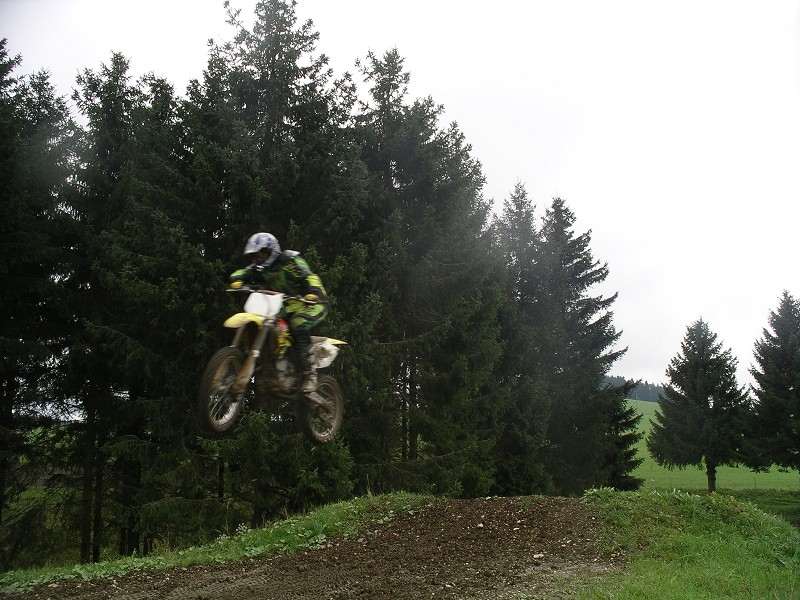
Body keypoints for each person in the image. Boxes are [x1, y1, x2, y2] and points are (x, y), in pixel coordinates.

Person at [230, 232, 329, 393]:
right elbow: (244, 272)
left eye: (261, 254)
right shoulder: (261, 268)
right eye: (256, 256)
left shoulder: (289, 261)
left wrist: (313, 292)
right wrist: (237, 279)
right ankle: (273, 364)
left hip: (313, 303)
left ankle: (310, 374)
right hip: (284, 308)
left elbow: (310, 276)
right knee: (270, 326)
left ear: (272, 251)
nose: (258, 258)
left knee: (298, 324)